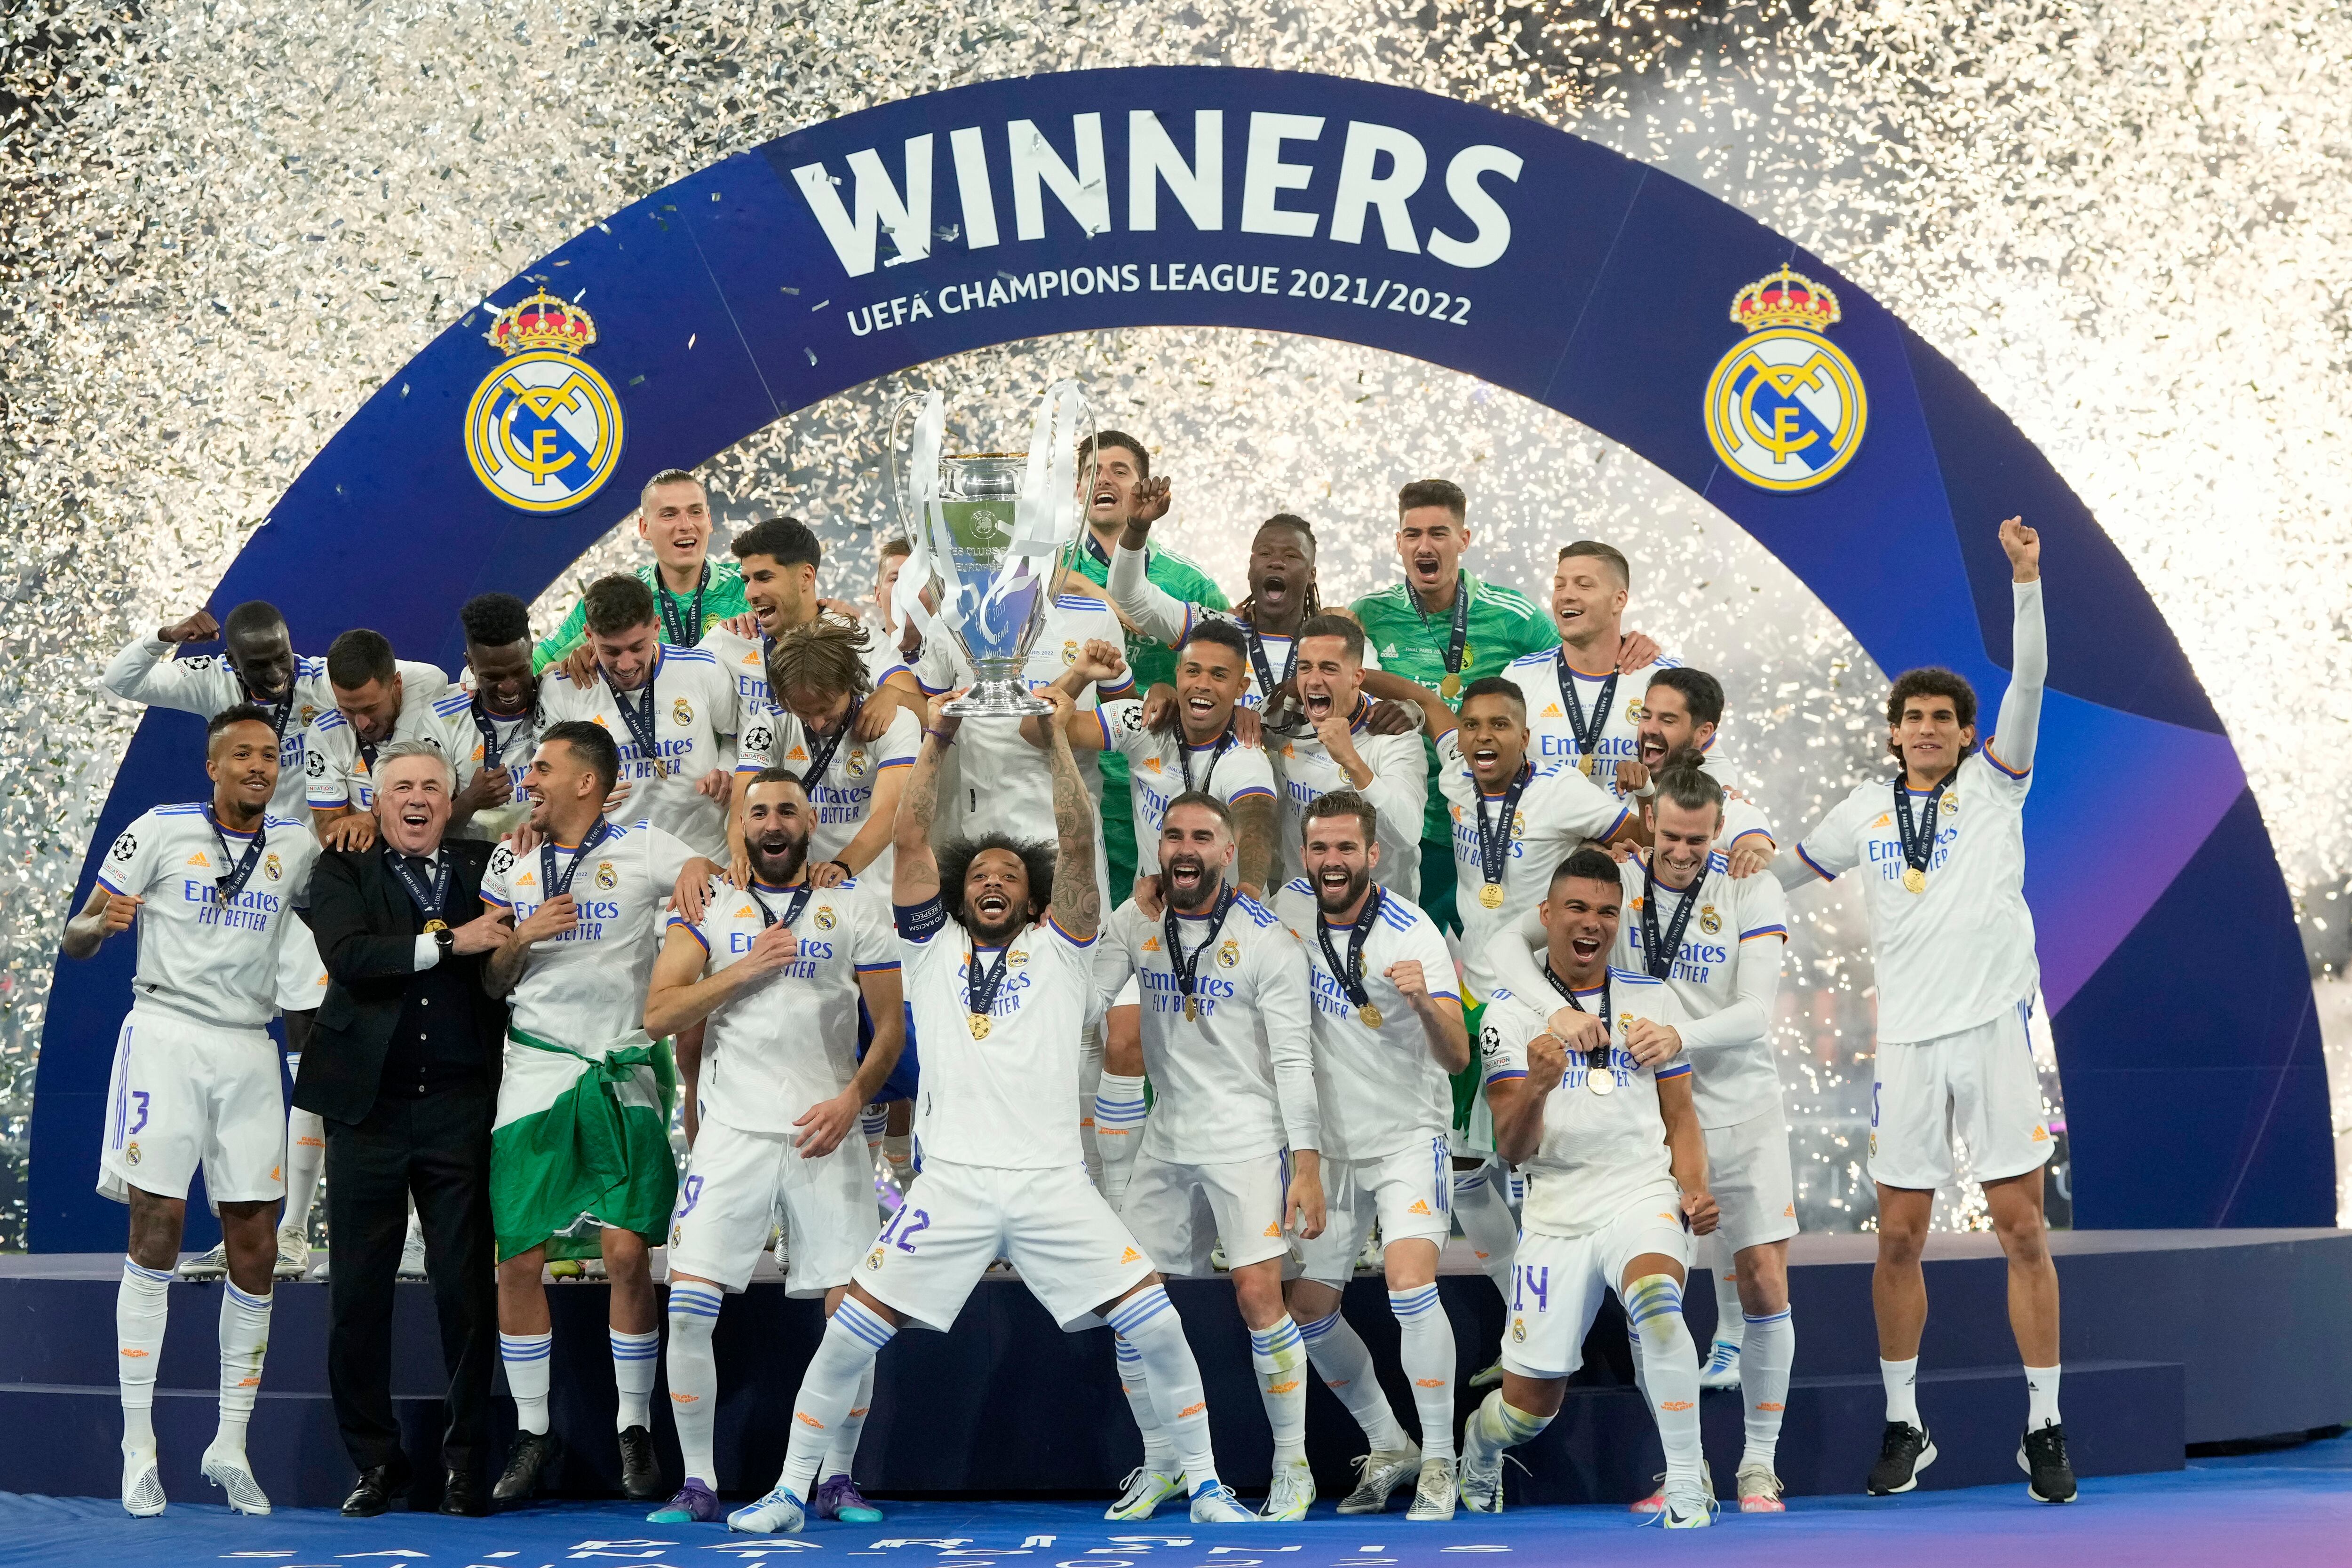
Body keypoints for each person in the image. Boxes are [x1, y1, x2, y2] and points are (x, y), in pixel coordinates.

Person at [727, 685, 1254, 1533]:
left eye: (1010, 873)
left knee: (1156, 1320)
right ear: (960, 893)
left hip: (1052, 1183)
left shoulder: (1065, 952)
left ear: (1035, 896)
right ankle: (791, 1490)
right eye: (978, 874)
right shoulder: (927, 949)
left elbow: (1078, 842)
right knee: (849, 1331)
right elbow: (907, 835)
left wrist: (1053, 744)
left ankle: (1208, 1485)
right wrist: (934, 738)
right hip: (952, 1186)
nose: (993, 881)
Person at [1776, 517, 2070, 1503]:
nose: (1930, 729)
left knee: (2020, 1228)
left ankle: (2044, 1426)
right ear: (1895, 729)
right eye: (1915, 718)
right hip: (1904, 1044)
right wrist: (1698, 850)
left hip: (1989, 1030)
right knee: (1895, 1234)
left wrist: (2025, 581)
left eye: (1946, 716)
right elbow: (1777, 872)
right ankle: (1905, 1422)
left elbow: (2027, 683)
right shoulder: (1859, 809)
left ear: (1964, 729)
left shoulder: (1996, 786)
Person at [1486, 755, 1796, 1511]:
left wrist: (1674, 1035)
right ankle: (1672, 1471)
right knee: (1645, 1302)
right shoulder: (1614, 879)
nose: (1684, 853)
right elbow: (1499, 950)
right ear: (1650, 823)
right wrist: (1553, 1013)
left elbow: (1758, 1013)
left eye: (1700, 839)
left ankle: (1755, 1464)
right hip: (1627, 1107)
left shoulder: (1752, 883)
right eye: (1673, 837)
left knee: (1757, 1281)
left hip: (1725, 1096)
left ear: (1720, 832)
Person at [103, 603, 446, 1280]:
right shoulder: (209, 685)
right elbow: (122, 679)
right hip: (266, 898)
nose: (279, 674)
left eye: (285, 657)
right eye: (261, 667)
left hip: (328, 880)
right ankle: (290, 1232)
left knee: (370, 1049)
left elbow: (429, 677)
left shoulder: (320, 680)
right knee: (303, 1061)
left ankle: (397, 1229)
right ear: (232, 666)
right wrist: (163, 637)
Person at [63, 705, 323, 1518]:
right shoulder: (161, 827)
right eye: (242, 753)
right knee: (158, 1230)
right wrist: (96, 924)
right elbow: (75, 936)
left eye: (270, 754)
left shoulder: (297, 844)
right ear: (213, 765)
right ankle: (137, 1446)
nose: (258, 765)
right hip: (167, 1033)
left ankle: (229, 1444)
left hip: (250, 1045)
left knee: (255, 1244)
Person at [640, 768, 906, 1526]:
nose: (774, 822)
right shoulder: (709, 906)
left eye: (788, 808)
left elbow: (889, 1027)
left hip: (827, 1131)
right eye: (759, 811)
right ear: (743, 826)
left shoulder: (853, 902)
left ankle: (839, 1478)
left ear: (809, 819)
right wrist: (745, 969)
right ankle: (698, 1482)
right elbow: (659, 1013)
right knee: (690, 1308)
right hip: (732, 1134)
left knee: (851, 1312)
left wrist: (855, 1098)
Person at [477, 720, 721, 1507]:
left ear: (588, 780)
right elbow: (489, 980)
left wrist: (695, 871)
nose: (531, 779)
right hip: (538, 1068)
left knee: (624, 1253)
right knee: (517, 1254)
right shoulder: (509, 858)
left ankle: (634, 1425)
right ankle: (534, 1428)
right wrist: (523, 940)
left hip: (619, 1068)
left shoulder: (643, 843)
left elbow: (705, 870)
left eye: (543, 767)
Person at [1457, 846, 1718, 1529]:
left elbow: (1681, 1117)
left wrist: (1692, 1189)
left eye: (1606, 911)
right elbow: (1513, 1150)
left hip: (1640, 1192)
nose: (1592, 923)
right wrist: (1539, 1084)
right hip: (1555, 1211)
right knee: (1525, 1411)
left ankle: (1689, 1484)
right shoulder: (1508, 1015)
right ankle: (1479, 1446)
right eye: (1577, 908)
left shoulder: (1652, 999)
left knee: (1660, 1305)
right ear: (1548, 916)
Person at [1088, 792, 1324, 1521]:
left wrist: (1308, 1163)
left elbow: (1293, 1060)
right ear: (1159, 848)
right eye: (1173, 835)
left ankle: (1294, 1465)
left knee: (1259, 1296)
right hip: (1168, 1135)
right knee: (1132, 1303)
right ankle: (1162, 1461)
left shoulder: (1269, 940)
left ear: (1229, 853)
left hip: (1247, 1136)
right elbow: (1089, 998)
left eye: (1201, 837)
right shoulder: (1136, 921)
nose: (1184, 848)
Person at [293, 742, 511, 1517]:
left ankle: (466, 1464)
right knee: (358, 1293)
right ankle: (377, 1463)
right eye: (401, 788)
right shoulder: (341, 868)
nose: (416, 798)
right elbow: (352, 957)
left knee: (464, 1291)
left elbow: (555, 863)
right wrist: (454, 940)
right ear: (376, 803)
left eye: (430, 787)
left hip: (459, 1107)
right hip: (368, 1110)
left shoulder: (492, 862)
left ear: (450, 803)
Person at [1388, 673, 1637, 1330]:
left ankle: (1575, 1315)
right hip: (1474, 991)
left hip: (1541, 991)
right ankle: (1521, 1311)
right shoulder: (1455, 775)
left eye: (1500, 725)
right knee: (1466, 1168)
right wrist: (1365, 679)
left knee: (1538, 1165)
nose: (1482, 736)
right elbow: (1434, 706)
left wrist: (1608, 849)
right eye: (1475, 727)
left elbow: (1633, 832)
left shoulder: (1561, 790)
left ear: (1526, 736)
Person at [1273, 792, 1471, 1522]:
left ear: (1372, 854)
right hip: (1328, 1149)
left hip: (1404, 1137)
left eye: (1345, 849)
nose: (1332, 862)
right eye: (1320, 849)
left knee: (1408, 1286)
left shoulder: (1411, 930)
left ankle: (1443, 1460)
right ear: (1306, 854)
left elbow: (1455, 1059)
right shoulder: (1287, 912)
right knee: (1309, 1309)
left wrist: (1425, 1003)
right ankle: (1391, 1443)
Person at [1349, 480, 1560, 932]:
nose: (1425, 546)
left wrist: (1631, 646)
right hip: (1410, 825)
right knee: (1402, 963)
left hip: (1491, 822)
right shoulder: (1369, 613)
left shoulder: (1513, 616)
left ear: (1464, 540)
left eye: (1439, 533)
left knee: (1499, 961)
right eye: (1413, 534)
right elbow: (1322, 664)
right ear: (1399, 543)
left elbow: (1577, 666)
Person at [1057, 430, 1230, 896]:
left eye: (1119, 471)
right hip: (1077, 772)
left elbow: (1235, 657)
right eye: (1091, 472)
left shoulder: (1187, 581)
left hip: (1163, 777)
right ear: (1076, 489)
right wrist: (1095, 593)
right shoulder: (1046, 565)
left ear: (1143, 487)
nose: (1103, 480)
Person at [540, 573, 741, 857]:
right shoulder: (563, 690)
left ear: (657, 626)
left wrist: (727, 769)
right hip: (612, 866)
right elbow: (542, 775)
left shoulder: (705, 669)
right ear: (588, 636)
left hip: (704, 856)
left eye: (637, 648)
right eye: (611, 651)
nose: (626, 664)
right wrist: (573, 794)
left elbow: (735, 738)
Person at [1109, 512, 1376, 718]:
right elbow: (1130, 594)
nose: (1276, 562)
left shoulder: (1340, 644)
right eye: (1265, 553)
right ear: (1250, 569)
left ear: (1311, 575)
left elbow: (1376, 698)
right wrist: (1137, 527)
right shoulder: (1212, 631)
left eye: (1292, 556)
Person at [732, 616, 921, 890]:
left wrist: (842, 867)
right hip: (797, 887)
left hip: (873, 887)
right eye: (804, 712)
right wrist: (741, 859)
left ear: (849, 684)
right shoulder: (769, 726)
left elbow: (890, 810)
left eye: (827, 709)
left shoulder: (893, 721)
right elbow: (743, 802)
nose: (818, 723)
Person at [1492, 541, 1675, 797]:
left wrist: (1730, 795)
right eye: (1559, 585)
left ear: (1619, 600)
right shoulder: (1519, 677)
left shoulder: (1666, 679)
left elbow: (1705, 760)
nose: (1566, 594)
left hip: (1636, 835)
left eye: (1584, 585)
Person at [1271, 615, 1429, 899]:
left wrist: (1352, 761)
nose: (1315, 681)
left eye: (1329, 669)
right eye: (1306, 668)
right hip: (1301, 904)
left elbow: (1407, 835)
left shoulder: (1394, 734)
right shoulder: (1284, 719)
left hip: (1382, 912)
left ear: (1358, 677)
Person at [534, 468, 748, 673]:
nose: (686, 524)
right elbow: (534, 668)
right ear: (645, 528)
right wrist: (562, 670)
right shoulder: (617, 597)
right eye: (669, 515)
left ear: (709, 521)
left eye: (695, 512)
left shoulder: (748, 585)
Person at [305, 628, 456, 854]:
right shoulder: (326, 733)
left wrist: (370, 820)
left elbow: (449, 801)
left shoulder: (435, 714)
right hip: (369, 864)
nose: (362, 723)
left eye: (371, 708)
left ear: (397, 685)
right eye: (348, 710)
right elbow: (330, 833)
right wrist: (379, 818)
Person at [1620, 666, 1777, 879]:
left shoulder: (1721, 801)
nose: (1650, 729)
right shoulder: (1622, 789)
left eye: (1668, 721)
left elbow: (1757, 849)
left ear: (1704, 733)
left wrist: (1752, 857)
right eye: (1646, 717)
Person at [426, 593, 545, 844]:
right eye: (493, 677)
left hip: (552, 854)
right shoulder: (440, 721)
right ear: (471, 664)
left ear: (532, 651)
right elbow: (426, 828)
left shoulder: (556, 696)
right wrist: (470, 800)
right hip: (475, 864)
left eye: (520, 671)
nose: (510, 687)